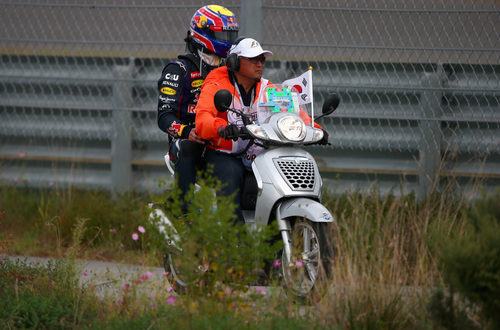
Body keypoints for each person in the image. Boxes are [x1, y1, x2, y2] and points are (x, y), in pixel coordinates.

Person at [195, 37, 328, 222]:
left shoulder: (268, 88)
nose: (259, 64)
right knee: (231, 174)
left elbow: (292, 111)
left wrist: (315, 129)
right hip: (224, 152)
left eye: (262, 60)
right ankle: (235, 240)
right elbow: (202, 120)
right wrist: (222, 127)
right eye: (253, 59)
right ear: (234, 62)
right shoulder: (216, 83)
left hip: (256, 153)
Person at [157, 5, 238, 212]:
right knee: (187, 146)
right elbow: (164, 116)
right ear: (203, 34)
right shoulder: (178, 69)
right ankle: (182, 209)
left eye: (231, 35)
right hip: (190, 139)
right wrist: (187, 132)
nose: (228, 40)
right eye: (222, 34)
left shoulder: (232, 68)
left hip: (224, 135)